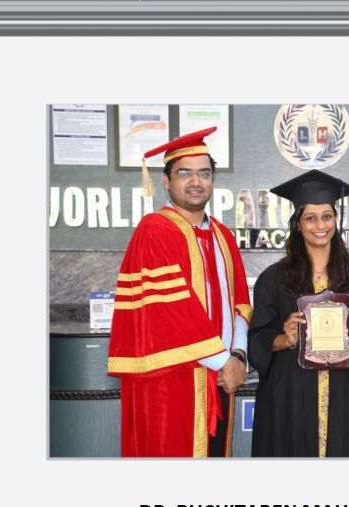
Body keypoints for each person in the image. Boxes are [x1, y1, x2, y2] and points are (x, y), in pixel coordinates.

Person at [107, 127, 251, 457]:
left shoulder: (223, 236)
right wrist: (225, 362)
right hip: (173, 380)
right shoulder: (155, 230)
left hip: (222, 377)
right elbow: (172, 313)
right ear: (166, 180)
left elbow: (240, 304)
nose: (196, 181)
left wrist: (239, 357)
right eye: (185, 173)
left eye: (204, 173)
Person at [248, 169, 349, 457]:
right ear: (297, 224)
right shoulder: (274, 279)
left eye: (327, 216)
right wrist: (284, 338)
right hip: (289, 396)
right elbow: (257, 341)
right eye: (310, 218)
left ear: (336, 219)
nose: (320, 225)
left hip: (343, 395)